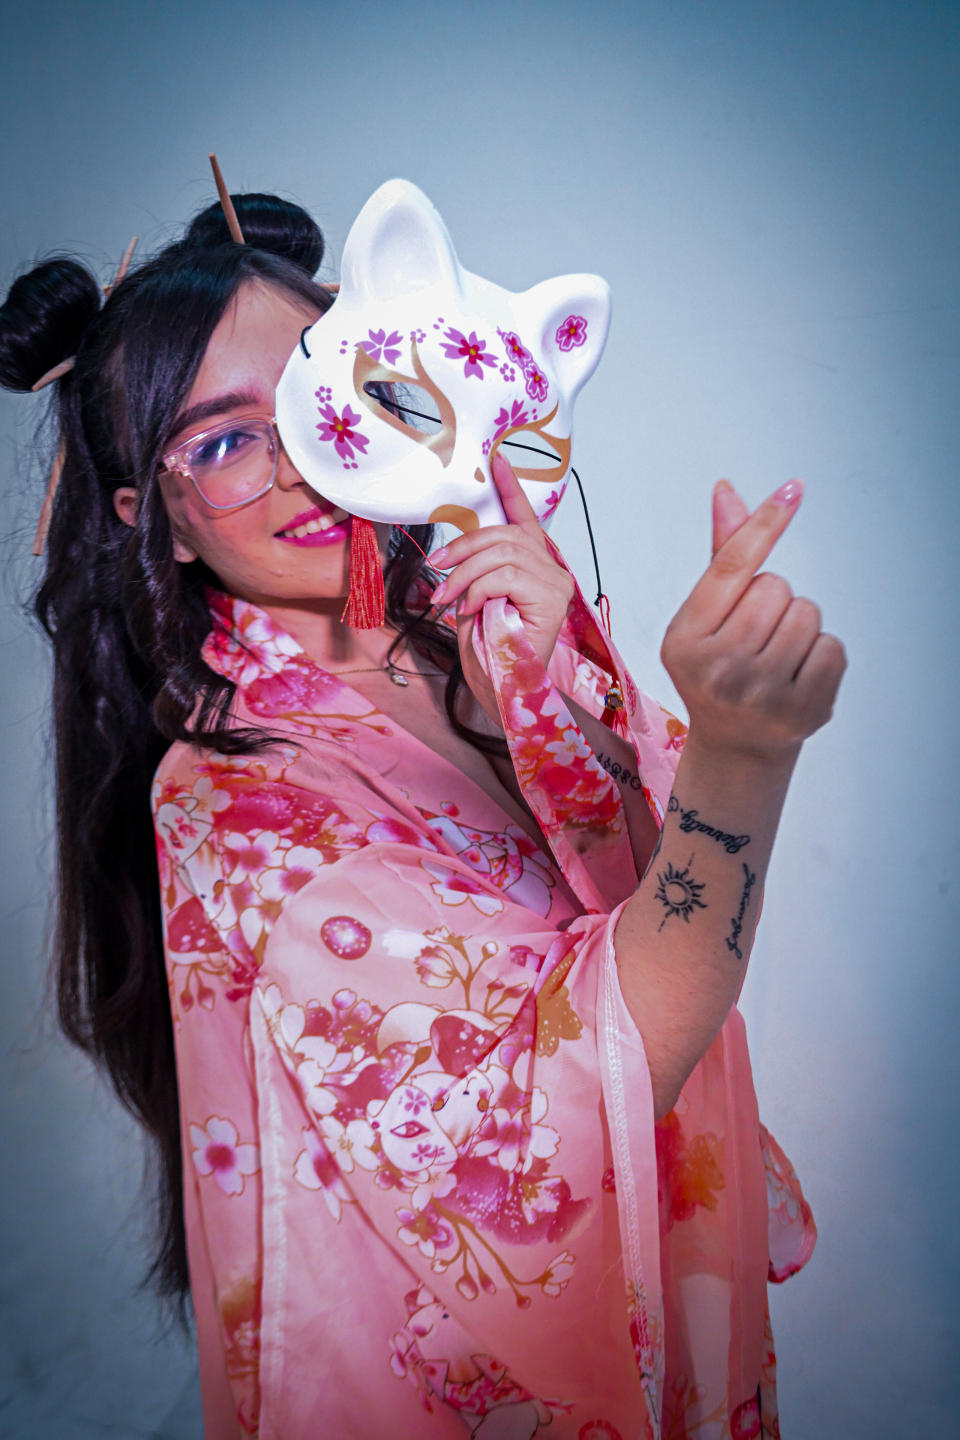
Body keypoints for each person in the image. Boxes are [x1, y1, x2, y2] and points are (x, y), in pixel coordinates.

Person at [0, 190, 844, 1439]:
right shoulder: (229, 796)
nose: (301, 455)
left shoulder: (474, 635)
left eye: (316, 389)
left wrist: (568, 687)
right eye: (222, 443)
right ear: (153, 521)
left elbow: (653, 901)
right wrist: (742, 755)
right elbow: (554, 1117)